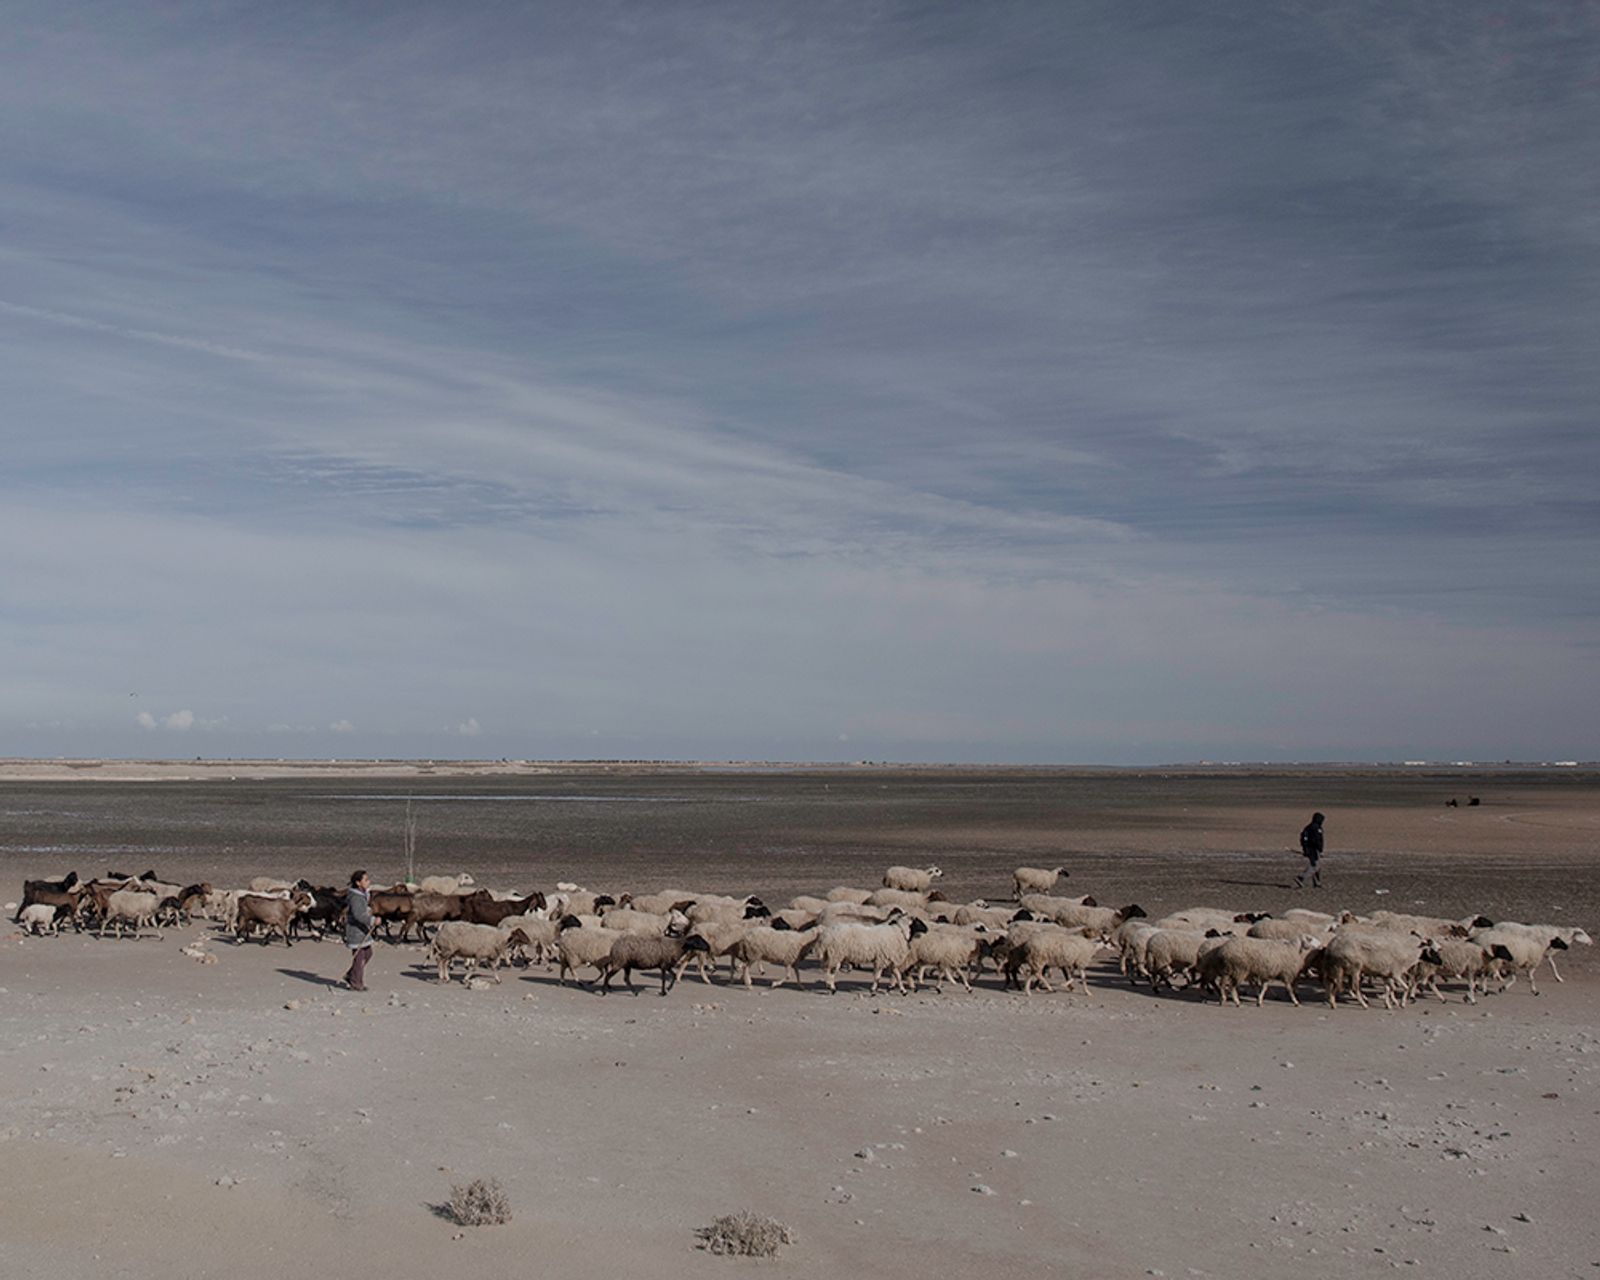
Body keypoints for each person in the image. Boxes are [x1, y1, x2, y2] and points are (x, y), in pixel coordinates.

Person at [342, 869, 375, 990]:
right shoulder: (355, 897)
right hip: (355, 930)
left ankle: (351, 975)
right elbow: (358, 915)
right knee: (359, 957)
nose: (368, 881)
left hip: (362, 930)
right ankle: (356, 983)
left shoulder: (363, 894)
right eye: (365, 880)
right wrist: (372, 920)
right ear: (358, 882)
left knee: (368, 953)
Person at [1294, 812, 1325, 889]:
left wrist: (1305, 849)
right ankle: (1301, 878)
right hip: (1313, 849)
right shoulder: (1316, 828)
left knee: (1318, 866)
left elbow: (1303, 839)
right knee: (1314, 866)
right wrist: (1320, 849)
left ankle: (1317, 882)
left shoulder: (1308, 827)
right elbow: (1317, 840)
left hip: (1308, 849)